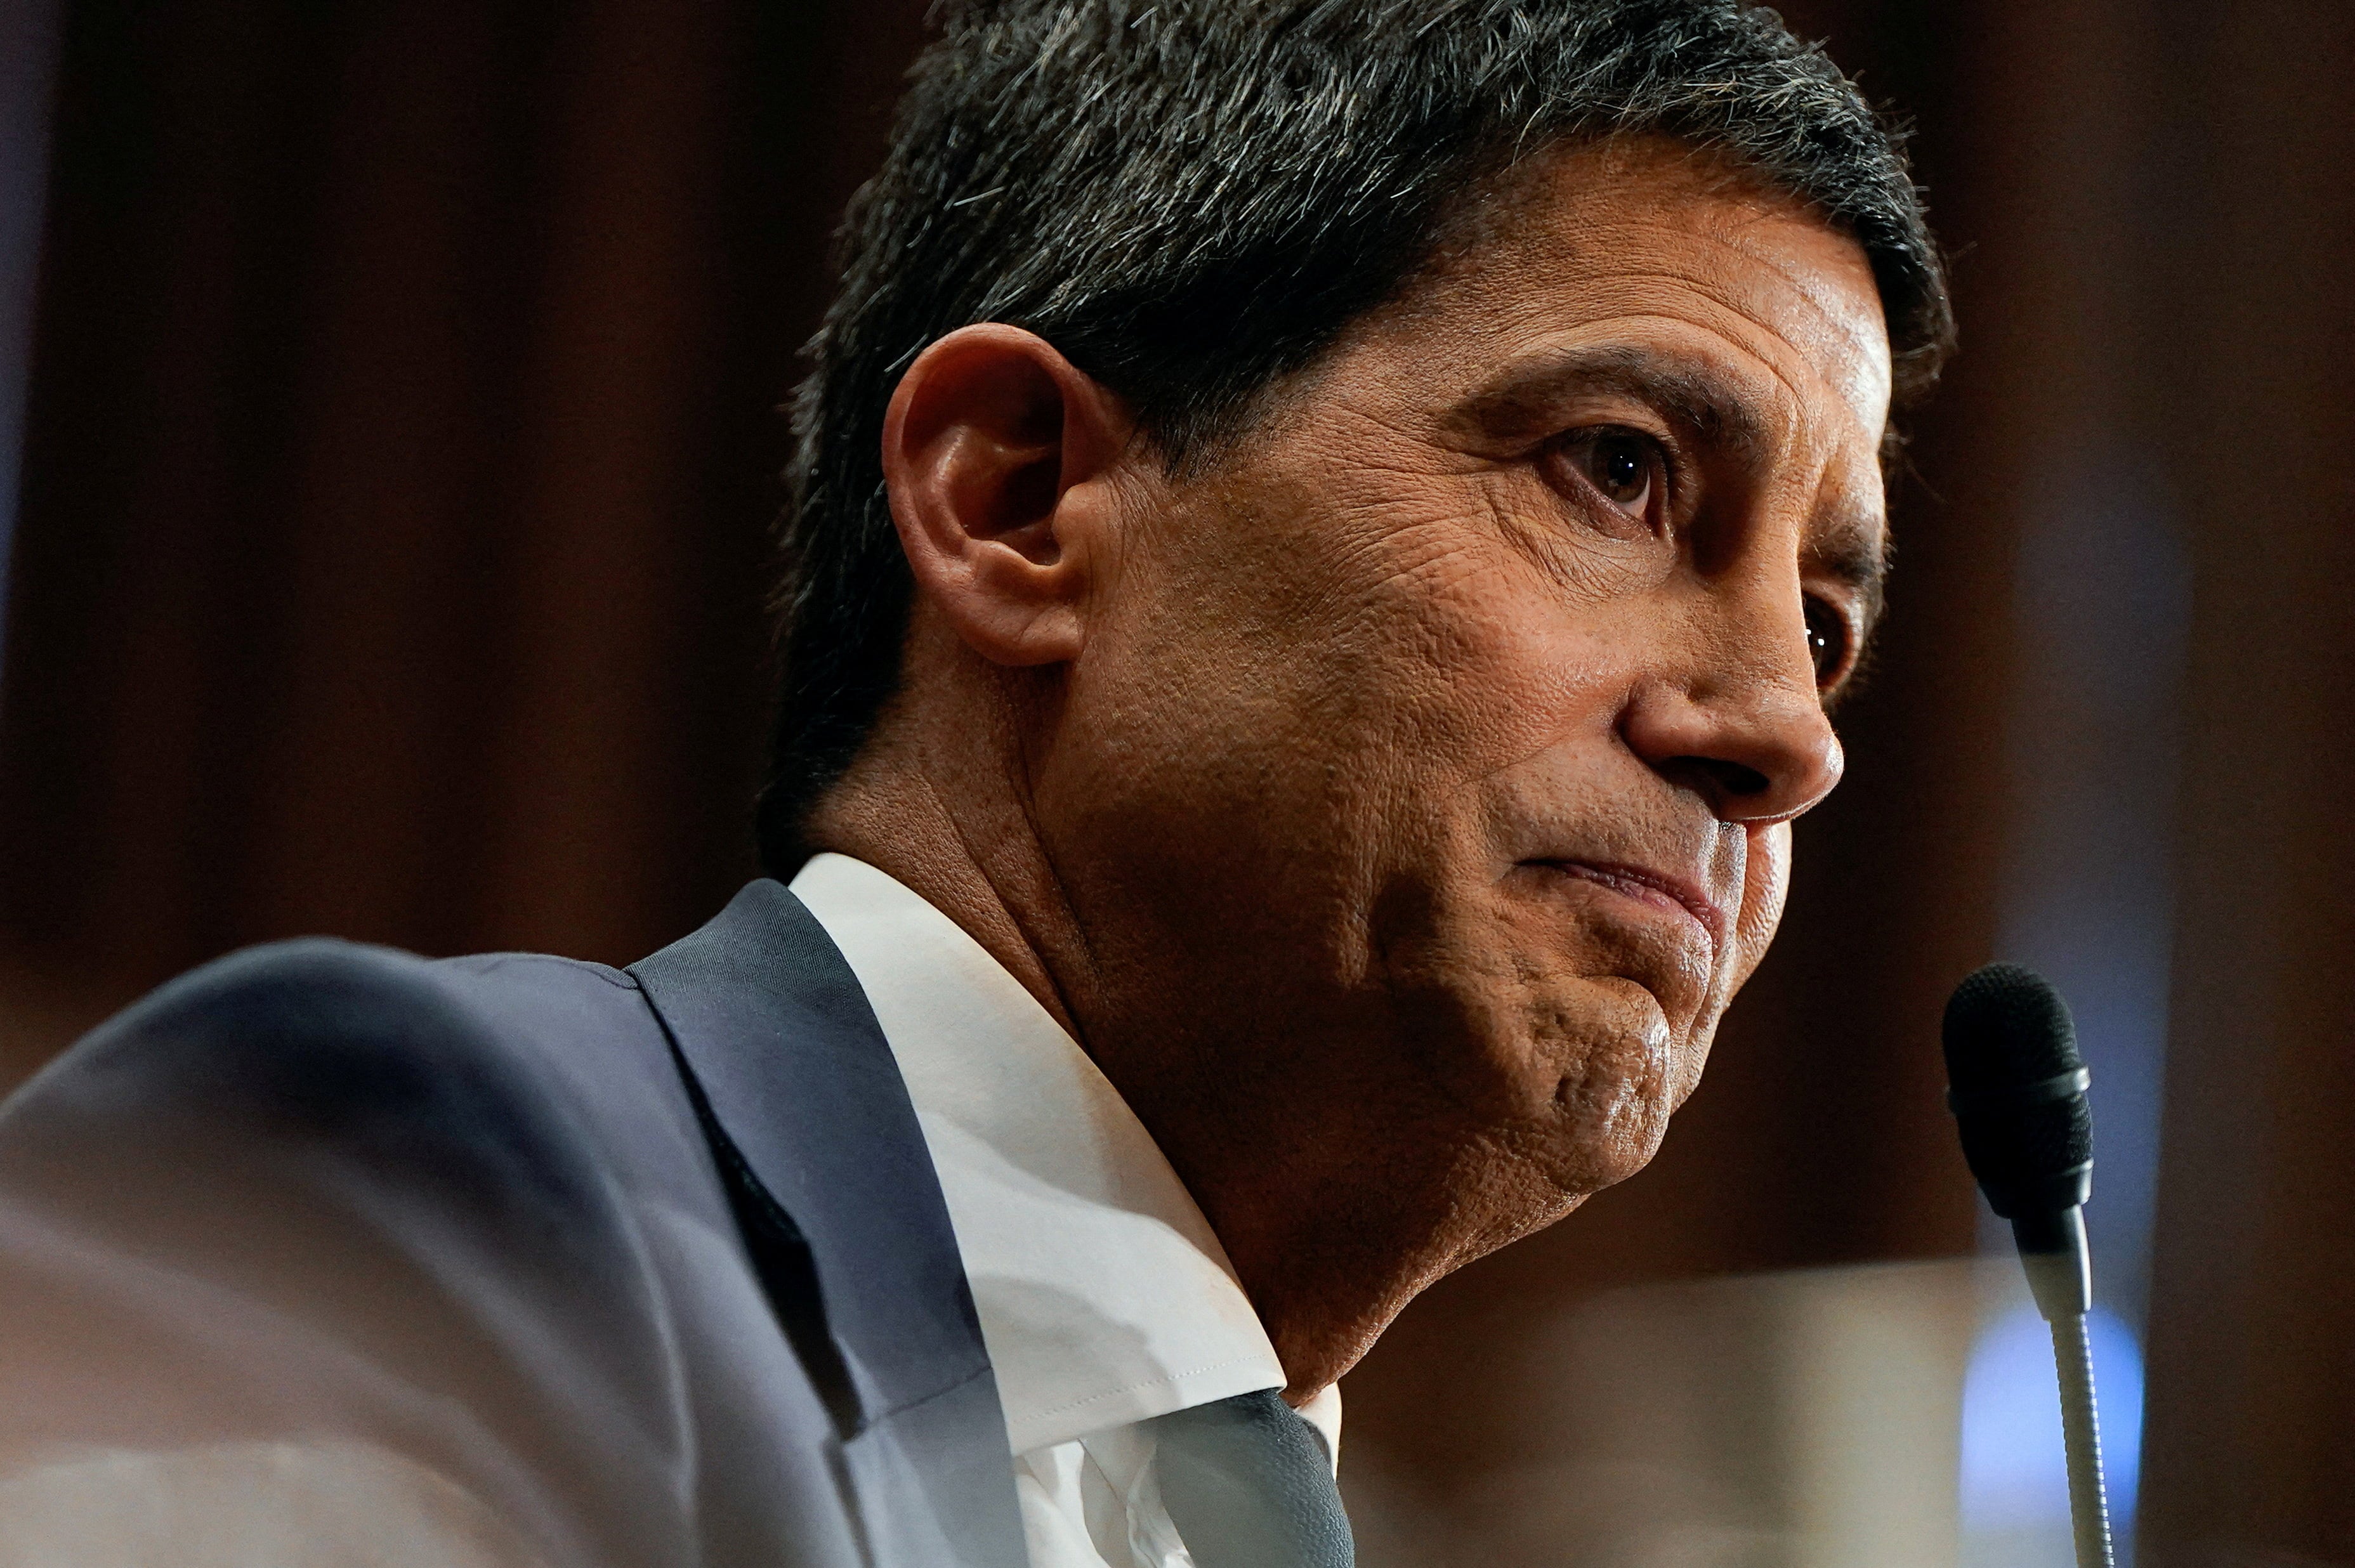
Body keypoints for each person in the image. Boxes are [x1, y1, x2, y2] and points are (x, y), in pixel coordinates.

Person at [0, 2, 1951, 1565]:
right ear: (1020, 495)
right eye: (1620, 473)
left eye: (1826, 622)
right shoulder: (435, 1208)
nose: (1791, 732)